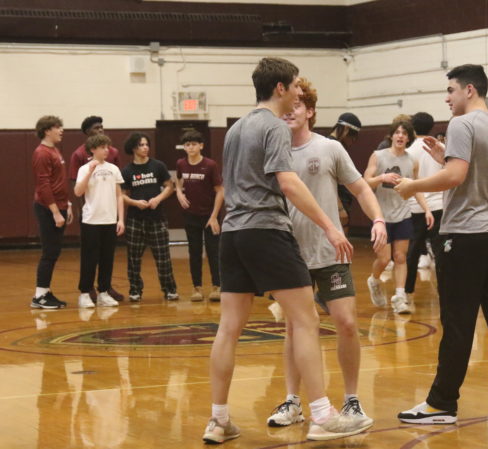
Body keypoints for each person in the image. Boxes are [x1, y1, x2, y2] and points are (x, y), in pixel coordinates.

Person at [202, 57, 371, 444]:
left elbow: (232, 186)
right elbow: (289, 183)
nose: (298, 91)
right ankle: (323, 416)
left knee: (229, 328)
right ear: (280, 88)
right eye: (294, 85)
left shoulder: (235, 130)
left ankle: (219, 420)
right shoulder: (274, 127)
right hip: (266, 231)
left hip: (232, 235)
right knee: (305, 320)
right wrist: (330, 227)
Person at [396, 64, 488, 424]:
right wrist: (443, 156)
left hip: (464, 235)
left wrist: (412, 187)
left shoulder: (462, 124)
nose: (447, 98)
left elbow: (456, 176)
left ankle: (441, 403)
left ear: (470, 90)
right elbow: (474, 173)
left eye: (451, 90)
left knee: (458, 322)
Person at [266, 77, 386, 429]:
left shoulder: (329, 149)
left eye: (297, 105)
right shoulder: (274, 150)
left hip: (331, 253)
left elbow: (361, 187)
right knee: (295, 328)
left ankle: (351, 401)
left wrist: (378, 218)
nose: (290, 110)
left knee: (347, 324)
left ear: (311, 111)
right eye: (287, 104)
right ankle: (292, 402)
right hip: (290, 255)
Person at [364, 119, 433, 314]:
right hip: (382, 216)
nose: (401, 136)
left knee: (401, 257)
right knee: (384, 259)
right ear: (391, 135)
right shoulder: (378, 156)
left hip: (403, 214)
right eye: (398, 132)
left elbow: (416, 187)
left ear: (409, 138)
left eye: (404, 133)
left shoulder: (412, 161)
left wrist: (426, 209)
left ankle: (400, 297)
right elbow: (364, 183)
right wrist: (381, 178)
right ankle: (374, 280)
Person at [69, 115, 124, 302]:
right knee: (90, 256)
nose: (100, 130)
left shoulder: (113, 159)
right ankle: (86, 291)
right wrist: (81, 212)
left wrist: (120, 218)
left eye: (102, 127)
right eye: (96, 128)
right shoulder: (80, 159)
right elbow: (77, 190)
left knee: (107, 257)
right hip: (91, 216)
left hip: (109, 216)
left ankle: (104, 290)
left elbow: (118, 191)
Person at [121, 133, 178, 302]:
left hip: (157, 218)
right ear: (133, 149)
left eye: (146, 144)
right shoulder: (127, 171)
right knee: (133, 258)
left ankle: (170, 289)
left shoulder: (158, 166)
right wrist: (134, 202)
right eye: (141, 145)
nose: (145, 147)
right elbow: (122, 195)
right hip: (135, 219)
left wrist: (158, 199)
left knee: (163, 256)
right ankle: (135, 290)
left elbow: (169, 186)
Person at [175, 130, 224, 302]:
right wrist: (179, 194)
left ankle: (217, 286)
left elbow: (220, 191)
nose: (190, 147)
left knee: (213, 251)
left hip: (209, 216)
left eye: (194, 144)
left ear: (201, 146)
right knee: (194, 252)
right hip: (190, 216)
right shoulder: (181, 163)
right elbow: (178, 181)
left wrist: (214, 216)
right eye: (187, 144)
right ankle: (197, 288)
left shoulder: (210, 165)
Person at [31, 115, 73, 309]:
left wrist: (68, 204)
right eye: (58, 127)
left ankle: (45, 291)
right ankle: (39, 295)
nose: (61, 130)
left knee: (54, 252)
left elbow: (58, 182)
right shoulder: (41, 153)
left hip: (61, 206)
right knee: (49, 252)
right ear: (47, 130)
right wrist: (55, 212)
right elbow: (43, 185)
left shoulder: (54, 150)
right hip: (48, 209)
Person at [404, 112, 444, 302]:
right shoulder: (440, 148)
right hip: (439, 205)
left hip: (416, 207)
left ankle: (407, 291)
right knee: (441, 251)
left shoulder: (408, 151)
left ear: (412, 127)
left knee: (412, 252)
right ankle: (446, 290)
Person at [329, 112, 362, 234]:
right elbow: (330, 182)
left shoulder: (335, 145)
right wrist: (340, 208)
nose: (352, 142)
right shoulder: (333, 146)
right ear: (346, 129)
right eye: (352, 137)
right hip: (336, 206)